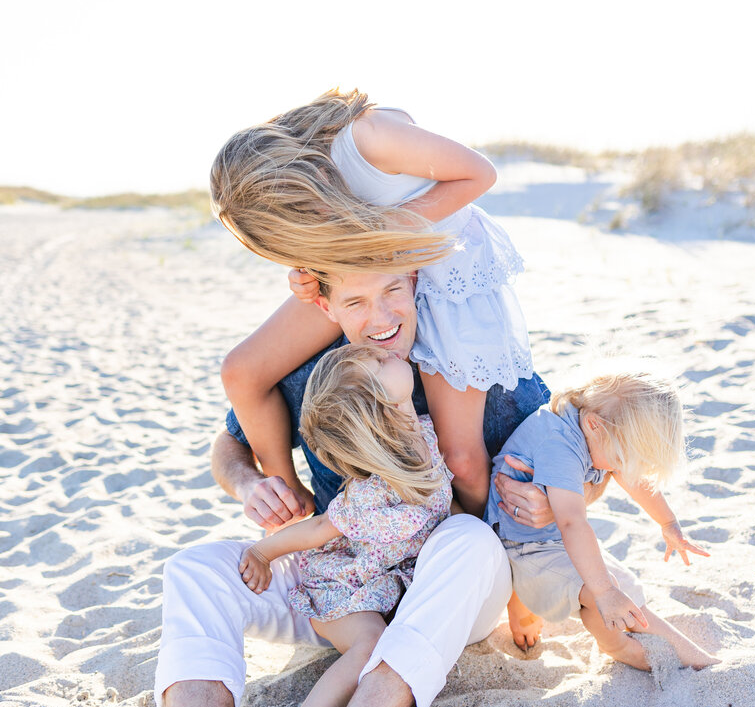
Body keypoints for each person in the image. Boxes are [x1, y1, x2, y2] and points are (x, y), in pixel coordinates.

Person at [64, 269, 561, 707]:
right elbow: (229, 445)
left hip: (451, 593)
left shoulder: (472, 351)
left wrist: (541, 506)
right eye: (354, 299)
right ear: (321, 301)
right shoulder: (317, 371)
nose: (379, 316)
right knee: (195, 570)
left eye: (392, 291)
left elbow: (566, 459)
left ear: (415, 281)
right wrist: (251, 485)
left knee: (465, 539)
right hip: (348, 580)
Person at [212, 87, 535, 516]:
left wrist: (377, 233)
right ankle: (288, 509)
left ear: (299, 183)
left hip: (444, 269)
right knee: (242, 371)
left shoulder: (368, 138)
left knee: (461, 458)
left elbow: (479, 175)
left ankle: (483, 547)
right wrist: (309, 269)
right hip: (369, 271)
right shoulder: (313, 190)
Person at [240, 344, 453, 707]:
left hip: (389, 580)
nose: (386, 355)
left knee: (391, 644)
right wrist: (263, 551)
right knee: (368, 646)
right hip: (346, 586)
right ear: (380, 408)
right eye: (376, 364)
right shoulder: (374, 491)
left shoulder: (426, 434)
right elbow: (320, 529)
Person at [486, 364, 720, 670]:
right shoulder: (560, 444)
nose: (621, 467)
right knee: (604, 591)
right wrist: (604, 591)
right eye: (622, 457)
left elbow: (633, 478)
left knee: (623, 587)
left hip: (550, 537)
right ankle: (617, 646)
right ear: (595, 424)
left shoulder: (596, 424)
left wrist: (668, 523)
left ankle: (694, 658)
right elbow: (572, 522)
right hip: (525, 549)